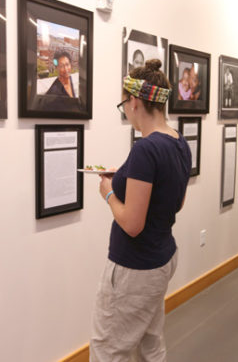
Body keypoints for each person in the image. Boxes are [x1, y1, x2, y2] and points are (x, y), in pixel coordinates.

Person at [90, 59, 192, 361]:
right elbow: (177, 200)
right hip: (162, 257)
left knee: (109, 349)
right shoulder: (179, 142)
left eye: (124, 103)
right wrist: (125, 175)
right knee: (150, 342)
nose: (125, 111)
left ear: (134, 101)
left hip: (134, 265)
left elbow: (132, 224)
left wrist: (109, 192)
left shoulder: (145, 149)